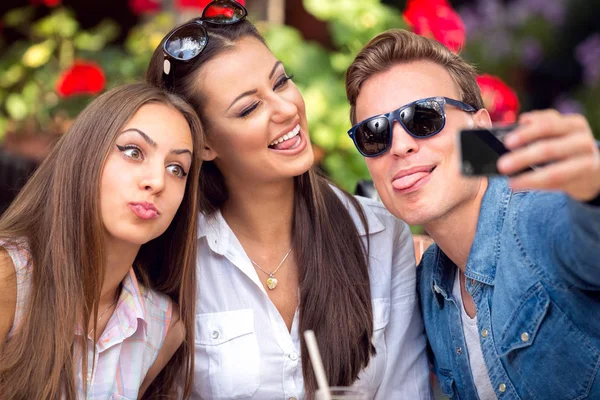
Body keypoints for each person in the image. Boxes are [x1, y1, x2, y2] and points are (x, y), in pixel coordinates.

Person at [145, 1, 432, 399]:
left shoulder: (381, 234)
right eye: (248, 108)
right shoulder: (175, 258)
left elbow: (406, 390)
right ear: (205, 143)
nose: (286, 109)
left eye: (281, 82)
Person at [345, 29, 600, 400]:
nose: (399, 146)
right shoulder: (428, 282)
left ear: (480, 126)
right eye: (375, 133)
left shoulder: (539, 218)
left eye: (424, 117)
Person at [0, 83, 203, 399]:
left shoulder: (163, 326)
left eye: (176, 168)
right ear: (85, 154)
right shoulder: (9, 279)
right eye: (134, 152)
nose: (157, 181)